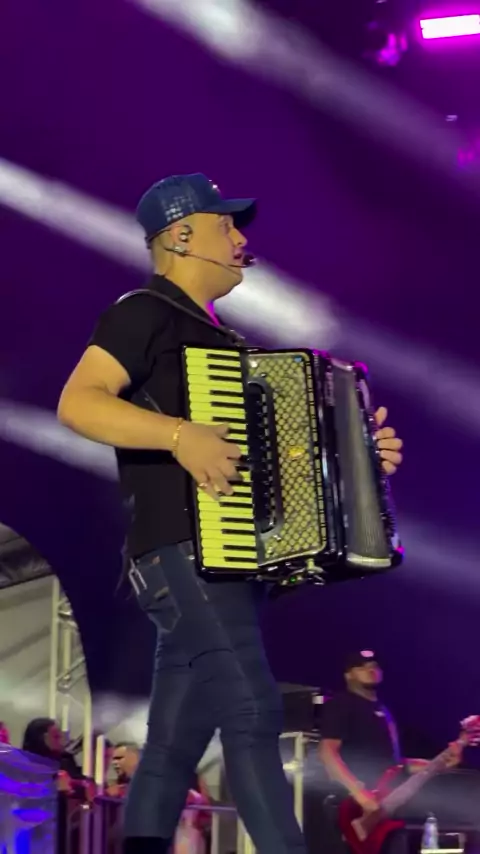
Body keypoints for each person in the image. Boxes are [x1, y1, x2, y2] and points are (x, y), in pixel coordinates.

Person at [57, 173, 404, 854]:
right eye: (227, 225)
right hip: (180, 550)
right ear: (182, 236)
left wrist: (360, 463)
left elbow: (282, 467)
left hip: (229, 560)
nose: (242, 239)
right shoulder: (143, 312)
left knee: (173, 745)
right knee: (252, 709)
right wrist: (179, 435)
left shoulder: (229, 345)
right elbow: (79, 401)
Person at [319, 651, 460, 854]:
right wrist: (360, 794)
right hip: (354, 808)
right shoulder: (341, 704)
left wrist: (439, 763)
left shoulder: (384, 711)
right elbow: (327, 753)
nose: (370, 669)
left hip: (388, 807)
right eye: (362, 666)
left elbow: (396, 763)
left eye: (374, 665)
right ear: (348, 675)